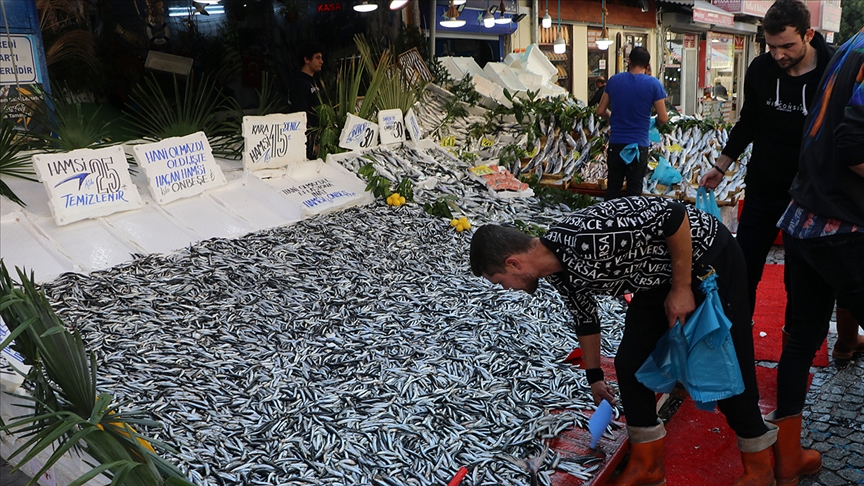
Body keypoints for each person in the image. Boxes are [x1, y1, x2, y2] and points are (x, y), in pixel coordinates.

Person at [470, 196, 778, 486]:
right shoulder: (558, 268)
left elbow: (674, 215)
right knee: (631, 363)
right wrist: (595, 378)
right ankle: (648, 465)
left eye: (500, 281)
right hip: (656, 276)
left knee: (727, 362)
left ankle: (759, 468)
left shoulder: (585, 238)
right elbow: (586, 319)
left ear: (513, 263)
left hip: (706, 260)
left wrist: (682, 288)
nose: (508, 288)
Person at [698, 0, 833, 318]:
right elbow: (748, 122)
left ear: (809, 34)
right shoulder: (760, 68)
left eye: (786, 46)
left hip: (809, 194)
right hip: (762, 187)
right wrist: (720, 166)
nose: (778, 54)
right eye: (771, 46)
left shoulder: (832, 71)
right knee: (742, 271)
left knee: (798, 280)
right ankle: (737, 347)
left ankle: (793, 351)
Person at [772, 27, 864, 485]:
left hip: (805, 216)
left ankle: (787, 459)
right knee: (800, 338)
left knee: (799, 339)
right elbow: (853, 146)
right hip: (844, 222)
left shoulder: (852, 44)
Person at [596, 47, 668, 200]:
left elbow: (601, 111)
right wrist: (654, 123)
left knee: (613, 188)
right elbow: (663, 118)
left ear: (628, 61)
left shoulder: (614, 80)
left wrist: (612, 117)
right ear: (647, 65)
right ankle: (631, 223)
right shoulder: (654, 84)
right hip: (638, 147)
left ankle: (609, 221)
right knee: (634, 192)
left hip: (616, 145)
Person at [289, 42, 324, 160]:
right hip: (306, 140)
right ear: (306, 59)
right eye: (317, 58)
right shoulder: (299, 83)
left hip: (316, 136)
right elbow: (300, 114)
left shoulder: (314, 81)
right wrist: (311, 142)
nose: (321, 61)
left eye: (321, 58)